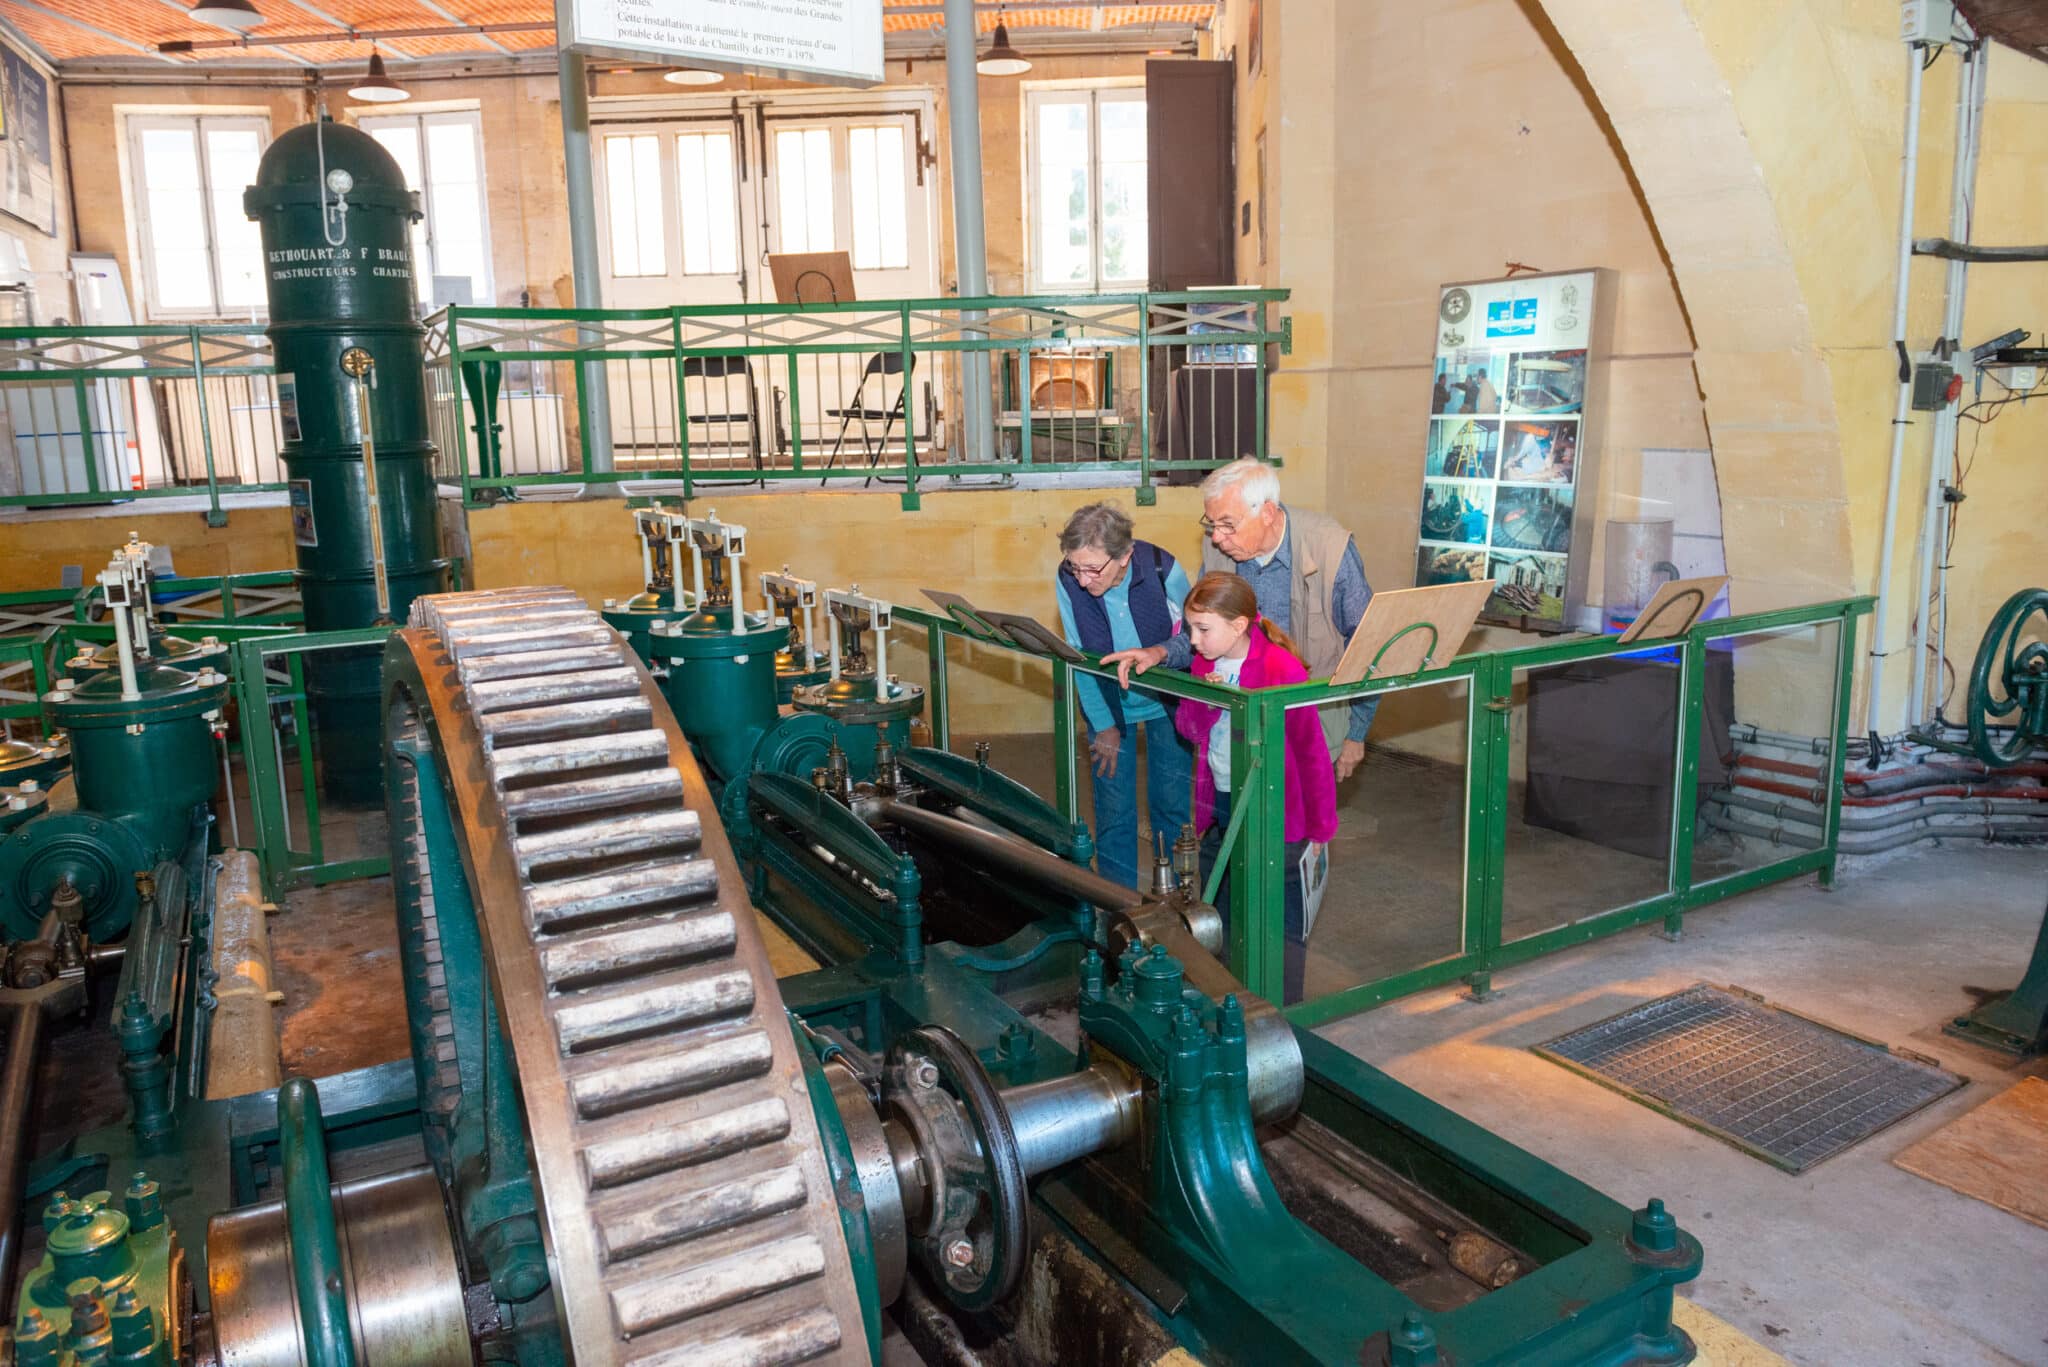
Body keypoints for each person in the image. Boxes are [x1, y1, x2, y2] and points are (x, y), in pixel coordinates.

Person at [1102, 459, 1377, 780]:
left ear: (1268, 514)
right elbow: (1200, 631)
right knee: (1237, 823)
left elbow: (1367, 645)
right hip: (1235, 730)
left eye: (1228, 524)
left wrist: (1356, 733)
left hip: (1310, 728)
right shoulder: (1220, 551)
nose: (1217, 537)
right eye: (1212, 523)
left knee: (1296, 825)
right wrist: (1158, 653)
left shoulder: (1330, 548)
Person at [1174, 572, 1336, 1004]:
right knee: (1216, 915)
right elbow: (1189, 728)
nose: (1193, 641)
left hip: (1275, 812)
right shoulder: (1204, 665)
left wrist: (1321, 829)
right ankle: (1228, 1002)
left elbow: (1311, 750)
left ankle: (1285, 1014)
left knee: (1280, 923)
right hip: (1223, 805)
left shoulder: (1281, 668)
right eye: (1191, 629)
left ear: (1240, 624)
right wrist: (1206, 700)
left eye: (1203, 629)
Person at [1052, 502, 1194, 889]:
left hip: (1169, 704)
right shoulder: (1068, 581)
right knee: (1114, 811)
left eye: (1092, 569)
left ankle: (1175, 895)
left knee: (1172, 804)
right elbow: (1078, 657)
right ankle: (1118, 906)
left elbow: (1193, 636)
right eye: (1073, 566)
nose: (1082, 580)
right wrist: (1104, 726)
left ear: (1125, 556)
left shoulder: (1163, 568)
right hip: (1110, 706)